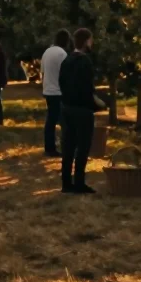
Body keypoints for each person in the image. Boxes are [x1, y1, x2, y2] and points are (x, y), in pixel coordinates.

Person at [59, 28, 100, 194]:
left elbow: (61, 82)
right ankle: (79, 182)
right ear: (85, 42)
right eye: (90, 40)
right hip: (82, 110)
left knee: (68, 146)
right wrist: (97, 104)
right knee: (82, 147)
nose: (92, 43)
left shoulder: (67, 60)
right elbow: (88, 89)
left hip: (67, 108)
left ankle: (66, 183)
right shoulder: (85, 62)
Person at [41, 30, 71, 157]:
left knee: (51, 121)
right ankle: (66, 147)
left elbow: (42, 73)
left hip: (48, 90)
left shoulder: (47, 52)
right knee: (64, 121)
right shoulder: (62, 53)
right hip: (59, 91)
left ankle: (49, 147)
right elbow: (66, 74)